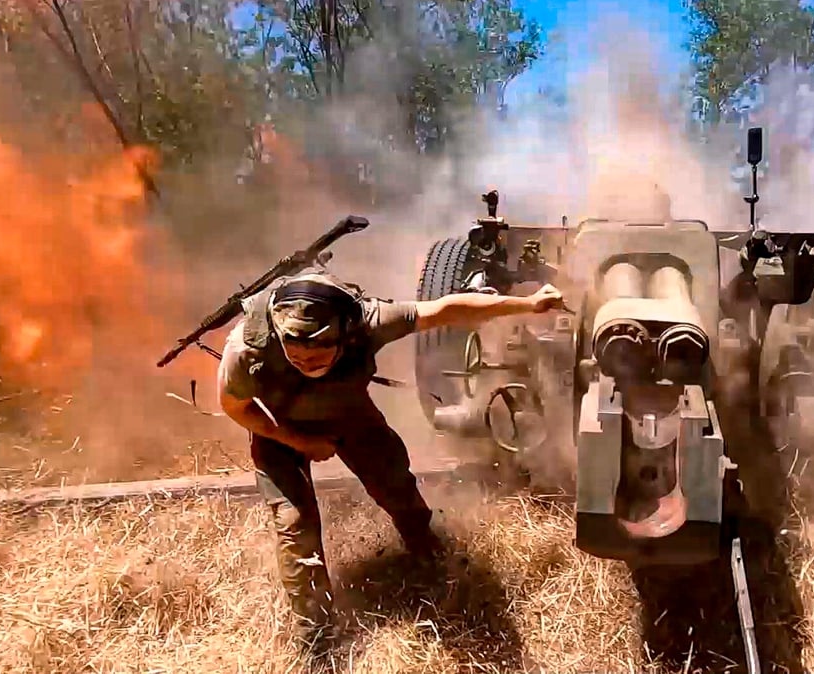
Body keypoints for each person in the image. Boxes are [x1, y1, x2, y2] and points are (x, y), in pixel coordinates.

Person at [216, 268, 564, 653]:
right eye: (296, 357)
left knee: (395, 486)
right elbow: (235, 406)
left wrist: (528, 304)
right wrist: (299, 440)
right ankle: (317, 634)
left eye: (317, 357)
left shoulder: (367, 321)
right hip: (278, 431)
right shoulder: (248, 347)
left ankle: (426, 550)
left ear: (343, 334)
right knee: (295, 528)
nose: (306, 364)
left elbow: (446, 309)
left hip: (351, 415)